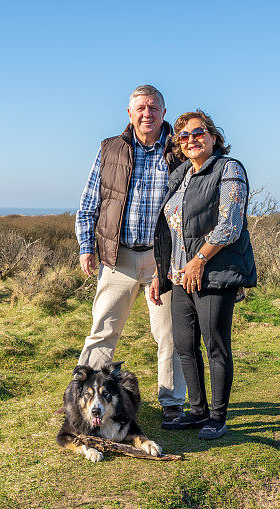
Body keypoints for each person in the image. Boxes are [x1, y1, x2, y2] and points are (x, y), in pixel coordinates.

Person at [75, 85, 187, 421]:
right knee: (104, 330)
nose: (147, 114)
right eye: (140, 108)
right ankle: (84, 398)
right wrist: (86, 246)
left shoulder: (178, 148)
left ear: (164, 113)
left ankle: (173, 403)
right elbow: (90, 201)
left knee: (169, 332)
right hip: (117, 256)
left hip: (163, 260)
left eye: (154, 107)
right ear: (129, 113)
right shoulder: (110, 148)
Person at [149, 110, 256, 440]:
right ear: (178, 145)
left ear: (213, 136)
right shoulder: (180, 176)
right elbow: (169, 231)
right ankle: (196, 411)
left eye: (198, 133)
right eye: (184, 136)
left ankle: (217, 417)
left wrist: (198, 260)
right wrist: (160, 274)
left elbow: (230, 225)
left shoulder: (228, 168)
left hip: (214, 274)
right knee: (183, 345)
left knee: (216, 346)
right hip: (181, 275)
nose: (191, 140)